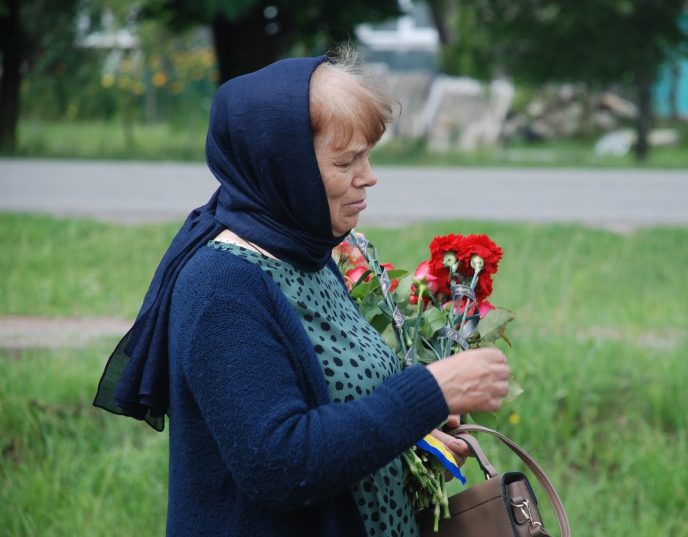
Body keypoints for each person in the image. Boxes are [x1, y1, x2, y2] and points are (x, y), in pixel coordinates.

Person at [94, 49, 510, 537]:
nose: (369, 175)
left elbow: (333, 407)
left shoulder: (303, 254)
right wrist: (429, 391)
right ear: (282, 168)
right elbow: (279, 465)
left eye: (368, 154)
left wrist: (413, 434)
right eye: (346, 160)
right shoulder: (222, 289)